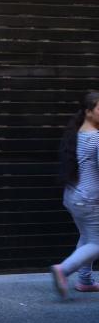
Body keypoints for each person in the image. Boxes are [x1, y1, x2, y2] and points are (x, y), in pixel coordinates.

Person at [50, 92, 99, 298]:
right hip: (89, 200)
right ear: (88, 112)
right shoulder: (97, 138)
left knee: (88, 238)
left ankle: (85, 280)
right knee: (97, 243)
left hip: (73, 196)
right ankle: (64, 269)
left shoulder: (77, 132)